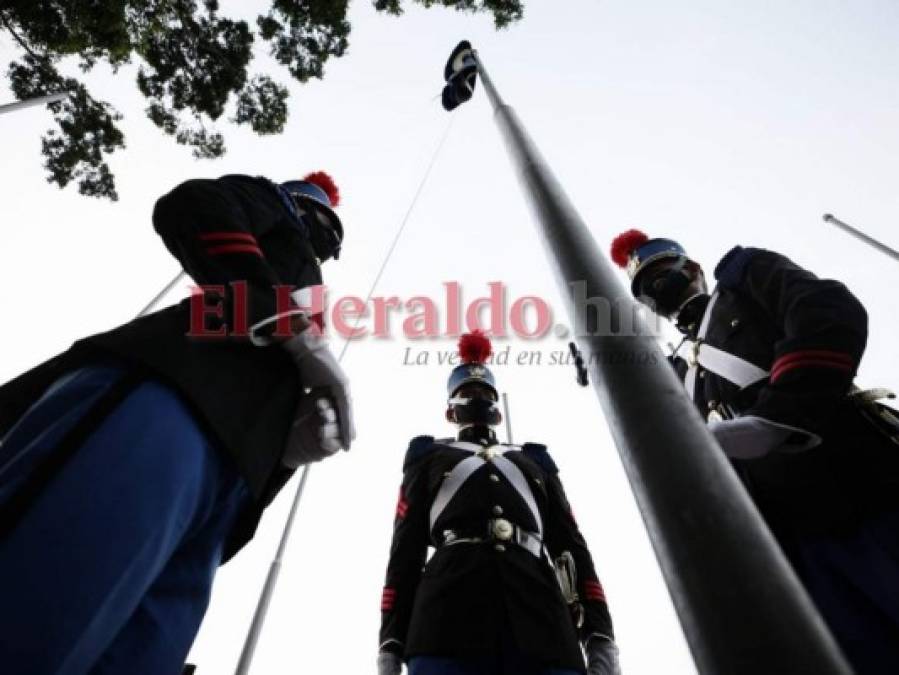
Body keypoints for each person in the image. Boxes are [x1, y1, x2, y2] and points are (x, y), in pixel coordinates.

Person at [0, 171, 355, 674]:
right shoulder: (272, 206)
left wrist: (282, 459)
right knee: (39, 615)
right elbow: (196, 204)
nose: (327, 246)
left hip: (229, 481)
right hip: (173, 392)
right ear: (302, 206)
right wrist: (290, 326)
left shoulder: (312, 290)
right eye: (323, 224)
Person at [610, 229, 899, 674]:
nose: (653, 289)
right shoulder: (674, 374)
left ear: (691, 269)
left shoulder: (744, 280)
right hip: (790, 544)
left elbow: (827, 310)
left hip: (861, 486)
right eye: (643, 288)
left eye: (659, 272)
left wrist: (779, 417)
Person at [377, 331, 621, 675]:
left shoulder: (535, 460)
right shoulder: (427, 457)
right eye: (466, 393)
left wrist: (599, 634)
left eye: (483, 393)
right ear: (450, 412)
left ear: (498, 410)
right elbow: (405, 552)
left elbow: (570, 547)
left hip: (543, 620)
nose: (476, 397)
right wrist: (390, 643)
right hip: (446, 619)